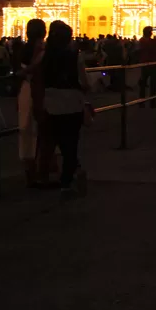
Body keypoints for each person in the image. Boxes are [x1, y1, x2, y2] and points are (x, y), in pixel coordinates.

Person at [43, 21, 91, 198]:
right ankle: (67, 180)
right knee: (72, 143)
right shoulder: (74, 56)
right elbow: (84, 82)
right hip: (72, 103)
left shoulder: (44, 56)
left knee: (60, 141)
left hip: (51, 103)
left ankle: (64, 174)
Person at [17, 19, 47, 186]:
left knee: (26, 129)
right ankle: (42, 168)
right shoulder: (44, 50)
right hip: (41, 91)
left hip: (26, 90)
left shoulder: (21, 49)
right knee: (42, 129)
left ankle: (29, 170)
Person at [138, 26, 156, 108]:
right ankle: (152, 102)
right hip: (152, 64)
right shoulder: (151, 42)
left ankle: (141, 101)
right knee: (152, 84)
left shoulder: (141, 40)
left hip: (144, 64)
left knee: (143, 83)